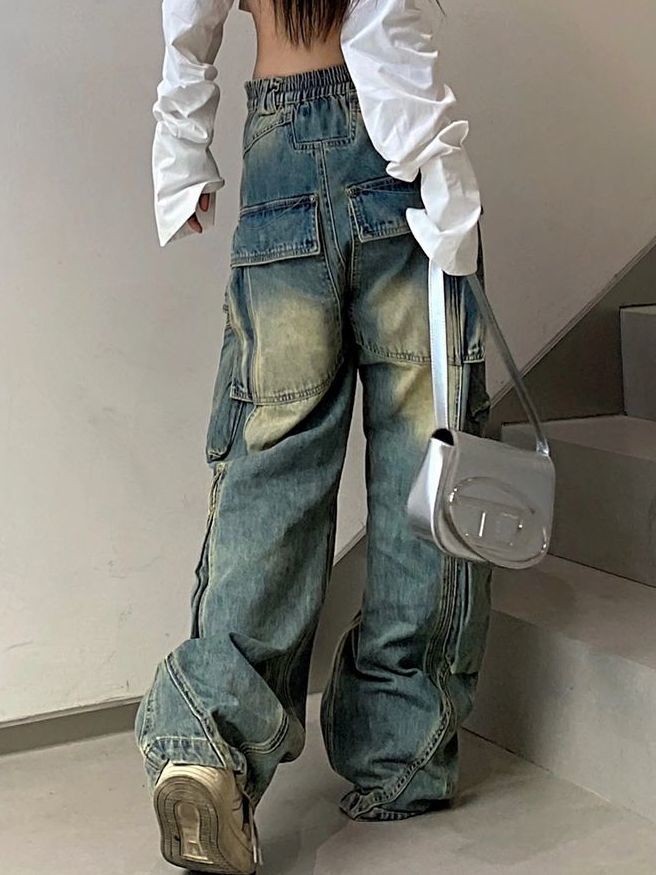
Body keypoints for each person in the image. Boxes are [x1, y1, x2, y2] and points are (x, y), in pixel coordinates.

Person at [135, 0, 493, 871]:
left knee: (271, 461)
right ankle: (401, 750)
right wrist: (440, 165)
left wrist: (182, 152)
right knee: (428, 457)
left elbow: (189, 19)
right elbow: (389, 32)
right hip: (404, 160)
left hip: (282, 155)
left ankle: (210, 747)